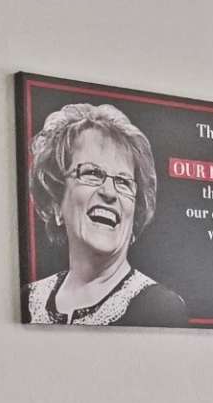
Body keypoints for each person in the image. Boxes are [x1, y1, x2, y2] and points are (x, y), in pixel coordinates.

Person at [24, 100, 190, 327]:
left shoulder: (161, 309)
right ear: (56, 202)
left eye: (123, 182)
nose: (109, 192)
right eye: (92, 173)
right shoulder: (27, 299)